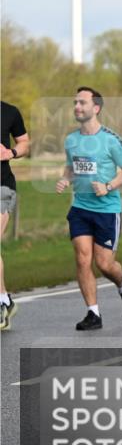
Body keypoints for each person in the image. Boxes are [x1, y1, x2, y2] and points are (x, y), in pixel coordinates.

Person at [55, 87, 122, 330]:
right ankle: (93, 313)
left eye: (82, 103)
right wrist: (65, 179)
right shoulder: (71, 140)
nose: (77, 107)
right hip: (80, 207)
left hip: (107, 210)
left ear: (96, 108)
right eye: (75, 102)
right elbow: (71, 167)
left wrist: (108, 186)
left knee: (104, 265)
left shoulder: (111, 139)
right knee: (83, 259)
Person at [1, 101, 29, 330]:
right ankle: (5, 300)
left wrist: (11, 152)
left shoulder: (9, 112)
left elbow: (24, 142)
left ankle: (1, 303)